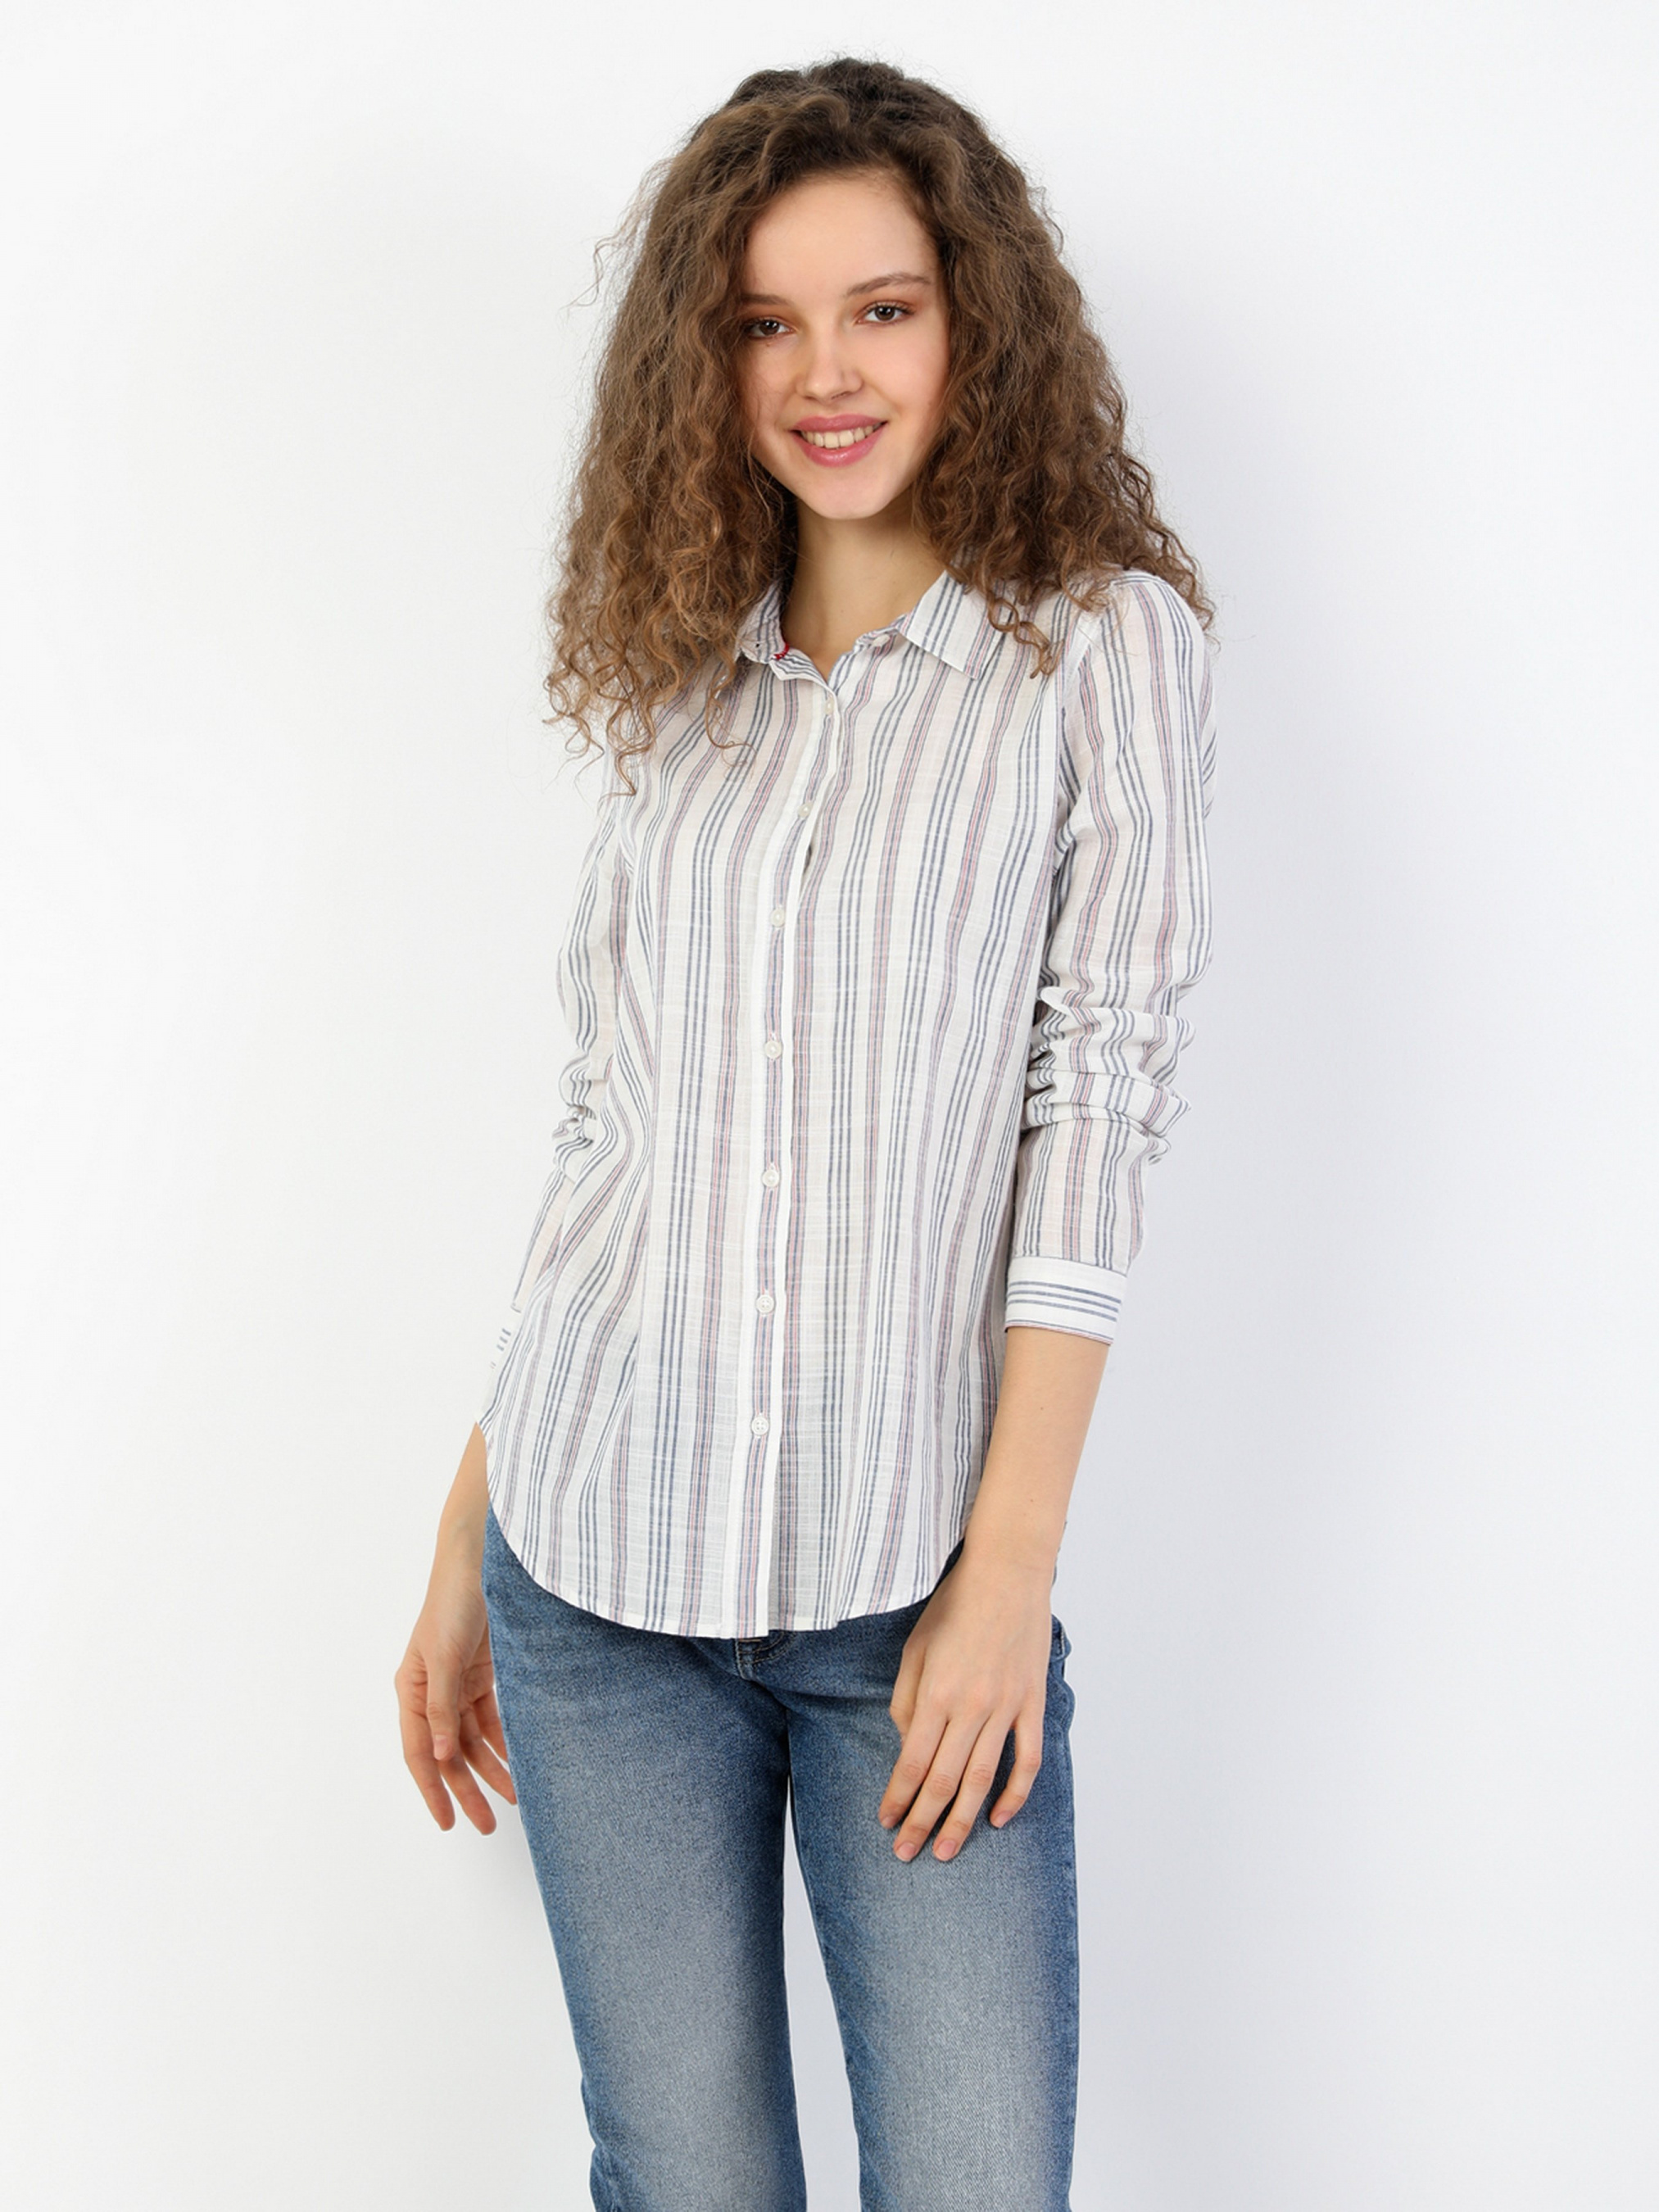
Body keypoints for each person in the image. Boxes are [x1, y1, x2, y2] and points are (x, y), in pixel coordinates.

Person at [395, 54, 1217, 2212]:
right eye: (766, 322)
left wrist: (1007, 1576)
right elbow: (616, 1123)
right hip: (596, 1568)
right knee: (682, 2178)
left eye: (881, 309)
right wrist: (472, 1520)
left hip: (910, 1592)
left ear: (973, 321)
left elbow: (1097, 1100)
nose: (825, 374)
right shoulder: (682, 673)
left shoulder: (1096, 652)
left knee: (972, 2182)